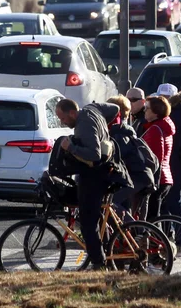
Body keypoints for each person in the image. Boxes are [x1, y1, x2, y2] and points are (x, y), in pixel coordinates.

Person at [56, 99, 120, 271]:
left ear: (72, 113)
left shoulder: (83, 124)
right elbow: (115, 107)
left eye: (63, 118)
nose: (62, 122)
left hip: (93, 178)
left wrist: (70, 148)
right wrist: (103, 127)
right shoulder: (92, 109)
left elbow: (93, 154)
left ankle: (99, 264)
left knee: (87, 223)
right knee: (98, 219)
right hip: (106, 173)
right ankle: (108, 256)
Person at [108, 95, 155, 219]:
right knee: (124, 207)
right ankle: (127, 233)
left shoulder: (118, 134)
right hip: (139, 176)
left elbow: (118, 159)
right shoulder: (126, 130)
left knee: (110, 203)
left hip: (136, 177)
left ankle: (132, 230)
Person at [163, 90, 181, 251]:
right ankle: (174, 241)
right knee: (171, 204)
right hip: (179, 167)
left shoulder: (175, 116)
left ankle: (179, 243)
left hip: (172, 166)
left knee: (172, 204)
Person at [141, 96, 175, 221]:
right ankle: (160, 239)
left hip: (158, 179)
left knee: (152, 218)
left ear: (156, 112)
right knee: (156, 216)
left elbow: (156, 158)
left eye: (147, 108)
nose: (144, 111)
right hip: (165, 177)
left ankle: (157, 240)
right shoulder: (163, 126)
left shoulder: (155, 129)